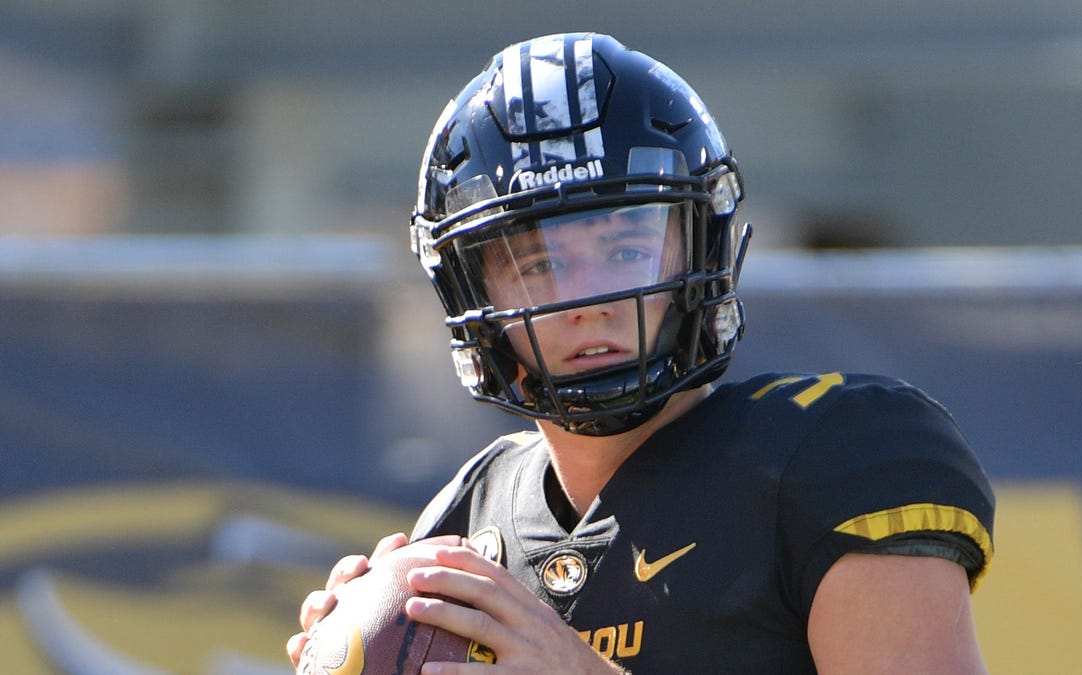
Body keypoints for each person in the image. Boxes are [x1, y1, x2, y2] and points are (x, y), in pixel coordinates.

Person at [288, 32, 994, 674]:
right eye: (538, 265)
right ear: (473, 291)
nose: (589, 297)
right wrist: (364, 643)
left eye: (625, 249)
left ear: (699, 245)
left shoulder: (842, 453)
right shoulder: (468, 518)